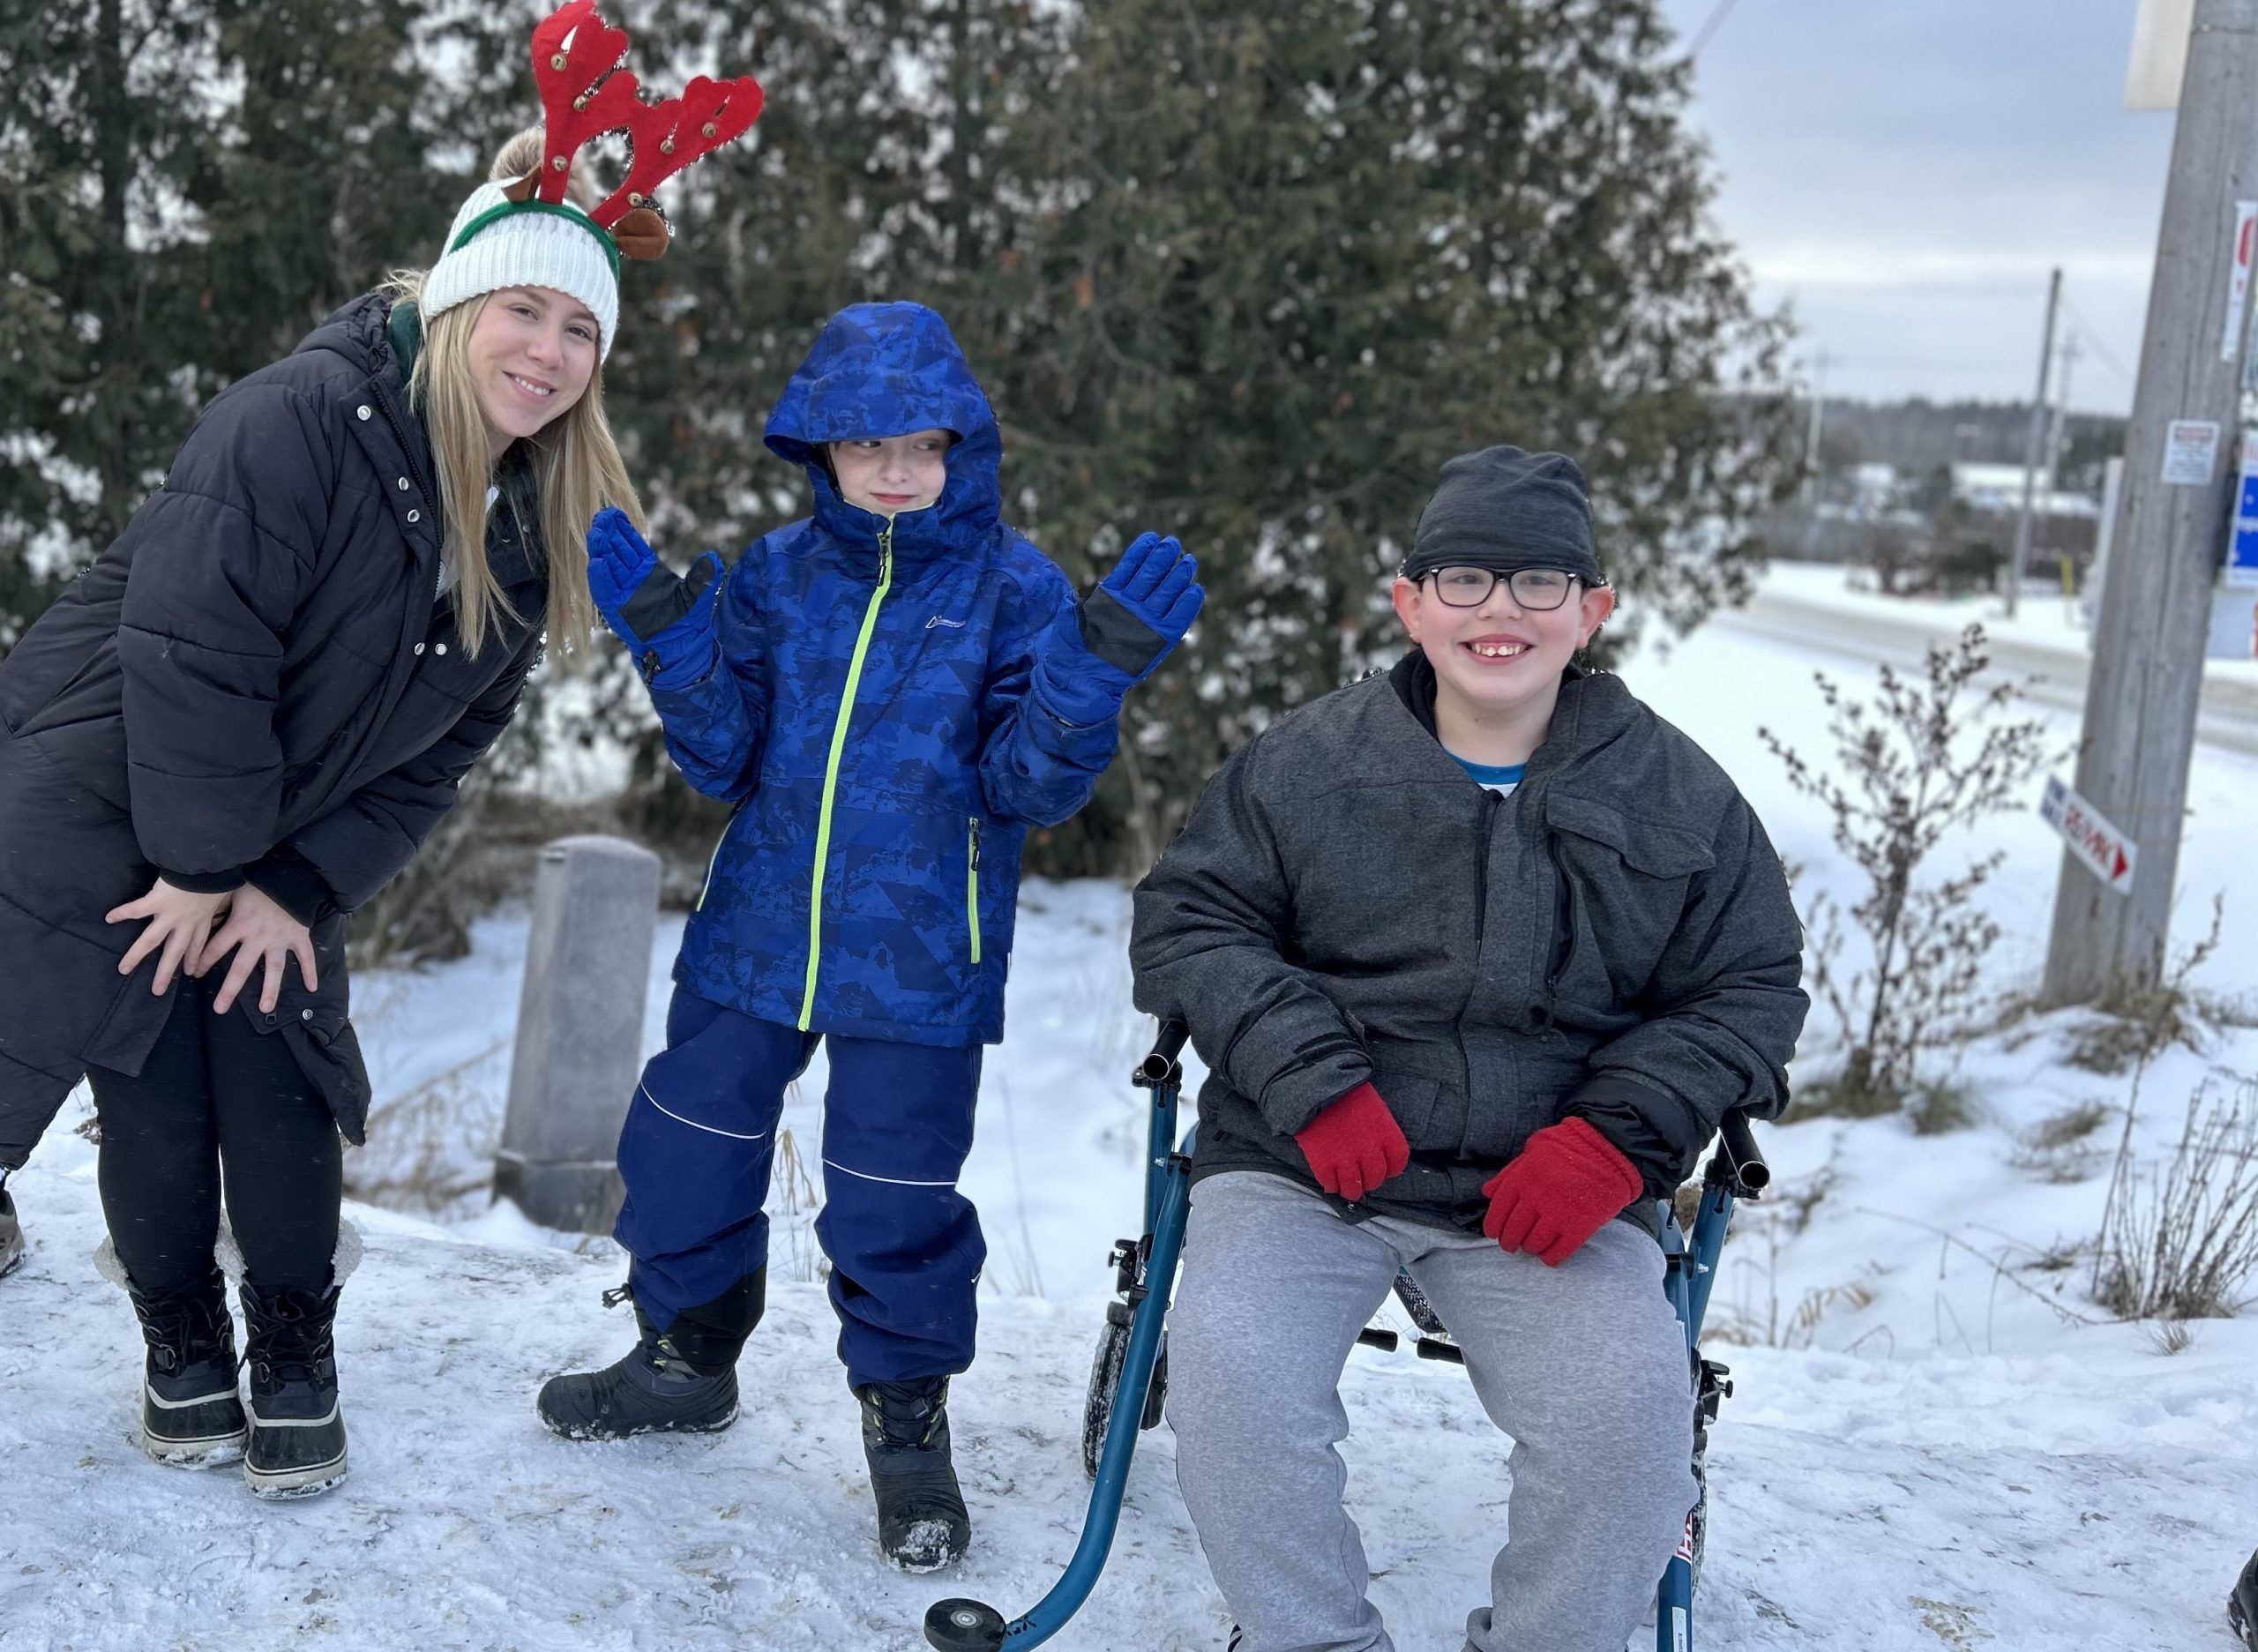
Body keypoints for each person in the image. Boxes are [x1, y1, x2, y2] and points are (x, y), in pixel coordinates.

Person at [0, 0, 756, 1498]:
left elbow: (445, 745)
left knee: (276, 1049)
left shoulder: (536, 512)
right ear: (462, 301)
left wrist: (293, 885)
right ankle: (181, 1352)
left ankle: (293, 1354)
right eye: (524, 312)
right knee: (150, 1065)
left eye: (581, 330)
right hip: (111, 787)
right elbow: (194, 649)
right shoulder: (297, 421)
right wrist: (204, 870)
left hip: (265, 834)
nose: (549, 352)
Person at [535, 299, 1202, 1573]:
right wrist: (671, 642)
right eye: (865, 445)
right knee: (684, 1143)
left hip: (921, 957)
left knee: (893, 1198)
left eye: (921, 445)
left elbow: (1027, 786)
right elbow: (723, 758)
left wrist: (1088, 674)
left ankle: (907, 1427)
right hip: (758, 933)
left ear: (963, 447)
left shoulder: (1015, 588)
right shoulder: (777, 573)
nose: (895, 470)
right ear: (821, 451)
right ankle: (685, 1357)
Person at [1129, 445, 1808, 1652]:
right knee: (1233, 1371)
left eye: (1540, 582)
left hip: (1546, 1190)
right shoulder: (1307, 762)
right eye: (1464, 580)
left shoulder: (1678, 793)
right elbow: (1193, 919)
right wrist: (1312, 1082)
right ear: (1410, 604)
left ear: (1593, 610)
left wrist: (1616, 1141)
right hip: (1306, 1167)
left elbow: (1748, 986)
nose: (1501, 611)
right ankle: (1312, 1639)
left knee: (1625, 1421)